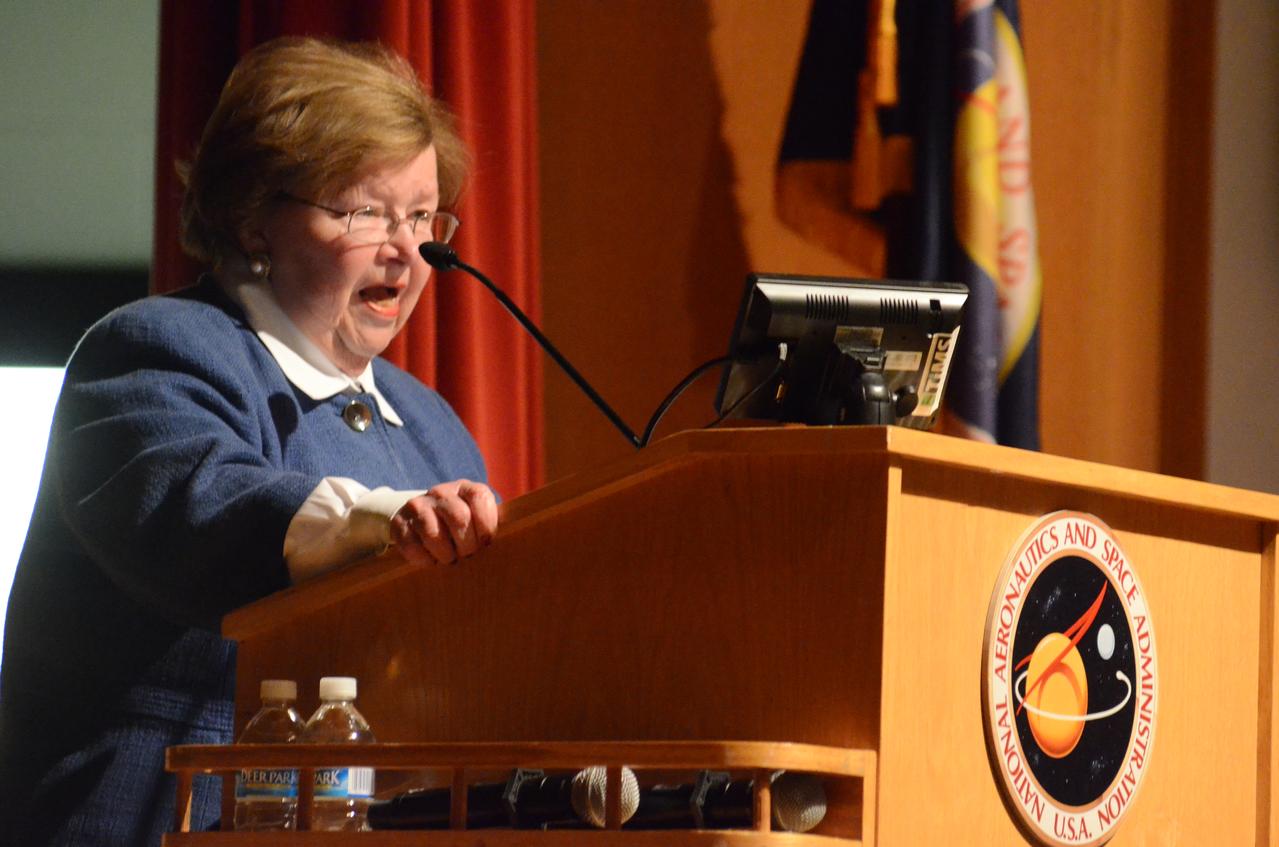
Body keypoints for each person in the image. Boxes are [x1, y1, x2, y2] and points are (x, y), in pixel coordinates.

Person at [0, 37, 499, 845]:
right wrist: (383, 521)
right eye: (365, 213)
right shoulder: (152, 350)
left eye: (420, 216)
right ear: (254, 219)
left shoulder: (434, 431)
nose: (407, 251)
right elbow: (200, 505)